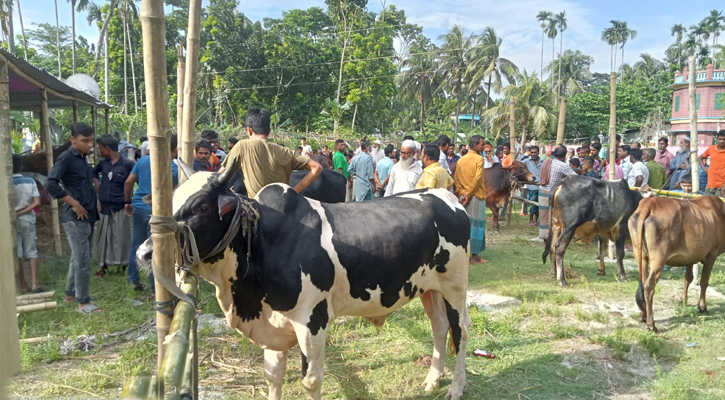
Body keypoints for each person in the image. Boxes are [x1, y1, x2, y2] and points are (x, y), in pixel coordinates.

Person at [47, 122, 100, 314]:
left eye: (91, 141)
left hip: (87, 214)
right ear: (72, 139)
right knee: (83, 259)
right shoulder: (66, 158)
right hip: (74, 216)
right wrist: (73, 203)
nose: (89, 145)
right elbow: (51, 183)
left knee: (79, 258)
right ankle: (83, 303)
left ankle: (71, 294)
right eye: (84, 141)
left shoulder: (82, 158)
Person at [221, 108, 322, 198]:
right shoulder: (286, 151)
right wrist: (293, 192)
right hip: (283, 209)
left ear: (249, 130)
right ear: (269, 131)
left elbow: (219, 175)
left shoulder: (242, 146)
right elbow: (317, 167)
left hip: (259, 212)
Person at [125, 135, 179, 293]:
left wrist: (127, 202)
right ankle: (155, 287)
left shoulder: (143, 161)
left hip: (139, 208)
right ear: (175, 150)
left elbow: (129, 182)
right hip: (157, 211)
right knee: (156, 247)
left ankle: (133, 281)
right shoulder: (174, 168)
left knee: (136, 243)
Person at [93, 134, 135, 279]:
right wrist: (97, 184)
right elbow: (93, 172)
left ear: (107, 148)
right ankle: (102, 266)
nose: (99, 151)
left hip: (121, 205)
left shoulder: (128, 164)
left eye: (100, 148)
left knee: (122, 236)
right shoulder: (103, 164)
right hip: (105, 205)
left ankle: (125, 264)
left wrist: (131, 201)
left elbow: (136, 180)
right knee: (103, 236)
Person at [454, 135, 487, 264]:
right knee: (477, 226)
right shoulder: (479, 158)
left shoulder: (461, 160)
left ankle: (463, 253)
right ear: (475, 145)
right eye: (482, 144)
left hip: (464, 198)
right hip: (476, 197)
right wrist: (470, 194)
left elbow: (456, 179)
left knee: (465, 225)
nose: (483, 146)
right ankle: (474, 256)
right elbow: (478, 179)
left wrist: (464, 193)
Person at [13, 154, 41, 293]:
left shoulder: (5, 182)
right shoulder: (30, 181)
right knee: (31, 251)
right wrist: (24, 212)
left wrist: (16, 213)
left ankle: (22, 285)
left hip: (12, 221)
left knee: (17, 253)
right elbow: (36, 202)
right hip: (28, 220)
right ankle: (35, 284)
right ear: (21, 166)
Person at [539, 146, 578, 239]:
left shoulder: (546, 162)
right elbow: (575, 177)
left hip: (542, 191)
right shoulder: (562, 165)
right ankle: (556, 236)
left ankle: (544, 236)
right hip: (554, 194)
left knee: (544, 215)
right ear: (564, 156)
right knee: (557, 216)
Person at [698, 130, 725, 197]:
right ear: (717, 139)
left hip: (722, 185)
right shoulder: (711, 148)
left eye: (724, 139)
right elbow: (700, 158)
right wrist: (704, 169)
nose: (722, 141)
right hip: (710, 184)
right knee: (708, 205)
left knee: (720, 206)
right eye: (720, 139)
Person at [523, 145, 544, 227]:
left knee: (540, 204)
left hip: (542, 186)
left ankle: (536, 220)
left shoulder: (543, 161)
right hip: (531, 186)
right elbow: (518, 164)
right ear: (529, 153)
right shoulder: (526, 161)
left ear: (538, 153)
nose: (533, 154)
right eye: (532, 152)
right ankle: (531, 220)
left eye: (535, 152)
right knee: (532, 204)